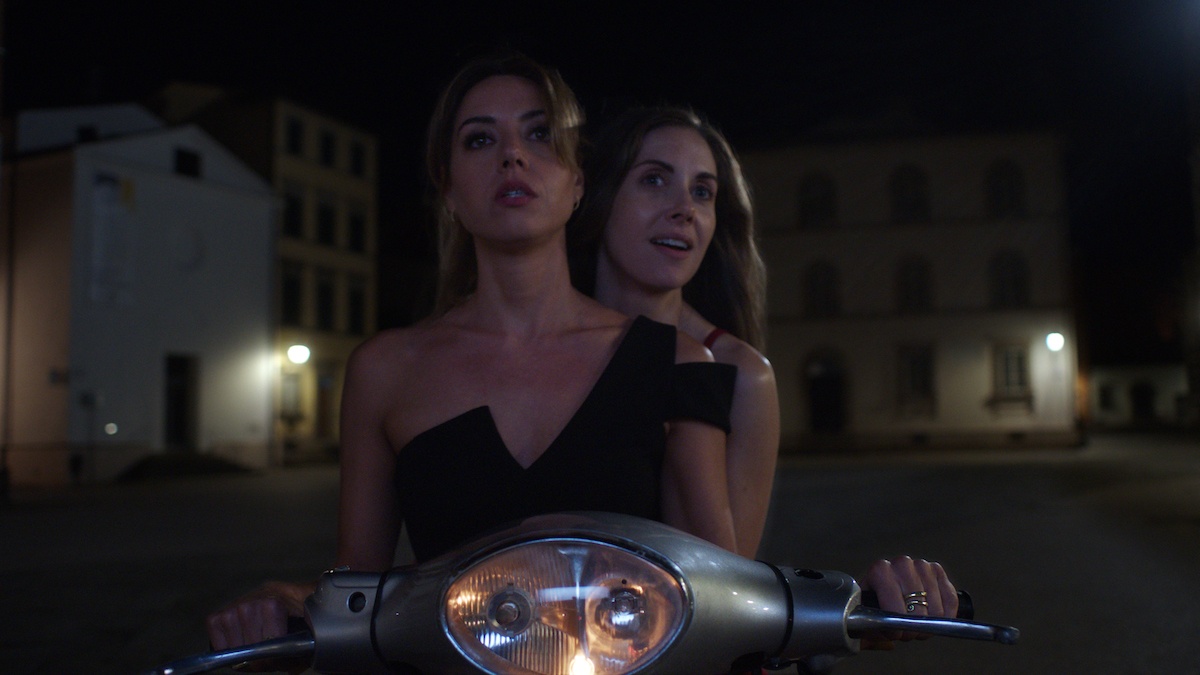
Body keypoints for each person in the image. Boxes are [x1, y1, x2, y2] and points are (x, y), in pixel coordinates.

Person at [206, 55, 738, 652]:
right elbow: (359, 596)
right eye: (481, 139)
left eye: (539, 134)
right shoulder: (385, 370)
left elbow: (722, 599)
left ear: (577, 182)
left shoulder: (676, 362)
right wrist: (286, 599)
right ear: (449, 189)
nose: (512, 155)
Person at [570, 105, 958, 630]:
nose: (684, 209)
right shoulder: (535, 343)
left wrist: (883, 611)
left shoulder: (741, 374)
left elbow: (726, 589)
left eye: (703, 192)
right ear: (596, 195)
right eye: (654, 180)